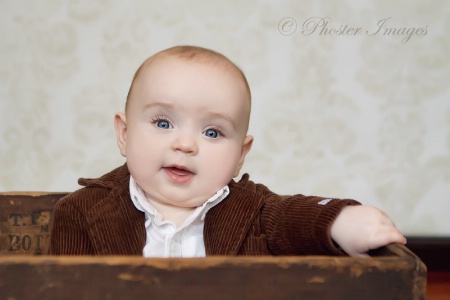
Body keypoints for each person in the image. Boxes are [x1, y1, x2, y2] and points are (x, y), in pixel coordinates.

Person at [48, 45, 406, 258]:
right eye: (162, 123)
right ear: (124, 134)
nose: (185, 145)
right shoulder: (81, 212)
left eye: (212, 131)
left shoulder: (256, 212)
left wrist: (338, 221)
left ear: (240, 155)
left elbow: (295, 215)